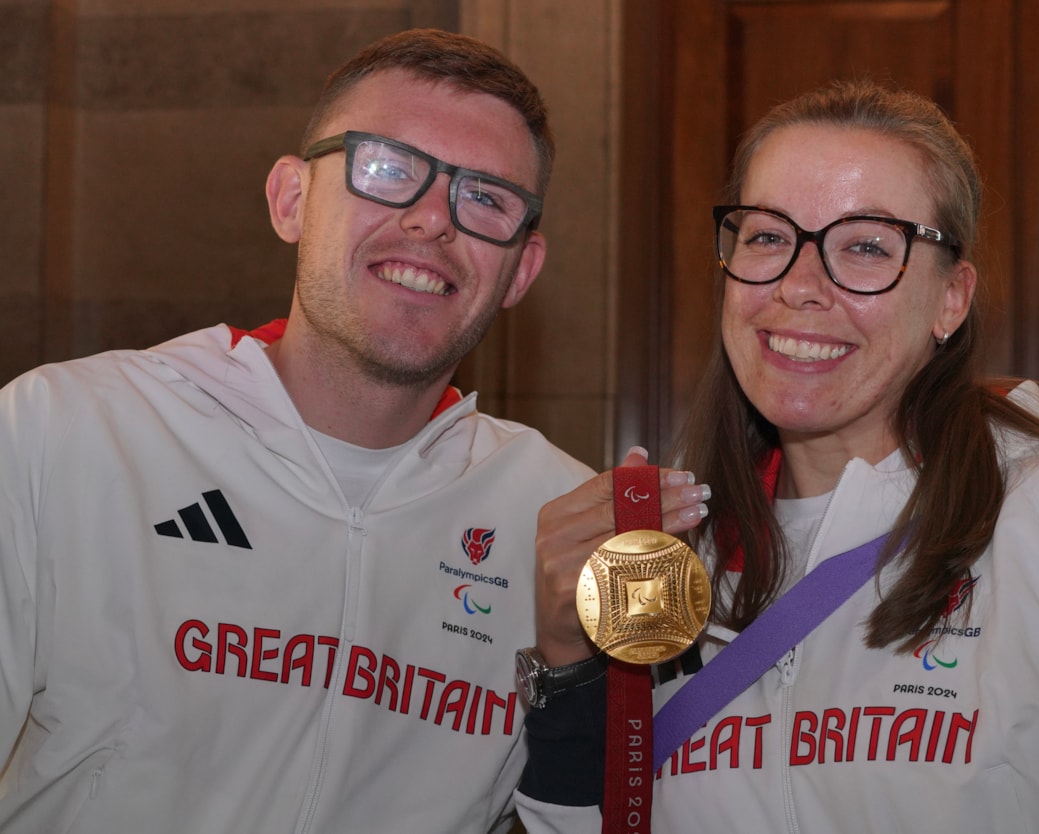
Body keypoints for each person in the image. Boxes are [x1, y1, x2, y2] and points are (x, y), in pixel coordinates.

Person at [514, 79, 1039, 833]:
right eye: (768, 236)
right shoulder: (666, 552)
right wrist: (571, 665)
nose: (800, 287)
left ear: (950, 299)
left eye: (865, 247)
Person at [0, 28, 594, 834]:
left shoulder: (558, 519)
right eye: (386, 168)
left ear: (520, 269)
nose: (430, 221)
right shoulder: (65, 433)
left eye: (485, 197)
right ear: (292, 200)